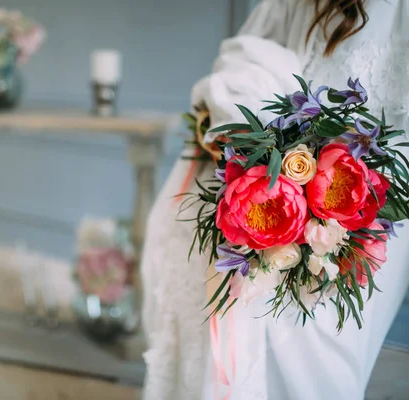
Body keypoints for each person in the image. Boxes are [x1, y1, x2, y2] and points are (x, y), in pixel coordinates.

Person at [141, 1, 409, 399]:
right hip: (269, 178)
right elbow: (246, 56)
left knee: (317, 361)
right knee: (204, 281)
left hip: (372, 202)